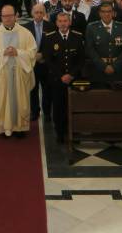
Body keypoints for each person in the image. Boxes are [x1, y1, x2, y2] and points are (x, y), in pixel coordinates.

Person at [0, 5, 37, 137]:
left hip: (19, 74)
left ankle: (20, 128)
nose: (7, 19)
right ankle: (2, 127)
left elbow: (32, 52)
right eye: (4, 16)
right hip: (2, 75)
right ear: (1, 17)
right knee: (2, 100)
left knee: (20, 100)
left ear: (15, 16)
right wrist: (3, 53)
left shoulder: (25, 33)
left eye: (9, 16)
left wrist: (18, 52)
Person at [40, 12, 85, 143]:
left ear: (69, 22)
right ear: (56, 23)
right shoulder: (50, 38)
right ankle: (59, 133)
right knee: (58, 108)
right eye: (60, 21)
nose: (63, 23)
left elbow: (81, 60)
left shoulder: (77, 37)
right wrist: (61, 75)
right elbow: (48, 60)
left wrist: (71, 74)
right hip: (56, 80)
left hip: (73, 79)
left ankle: (72, 131)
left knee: (73, 106)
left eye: (65, 21)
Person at [85, 2, 122, 87]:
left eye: (109, 11)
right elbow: (90, 49)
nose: (106, 14)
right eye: (103, 11)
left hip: (118, 70)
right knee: (99, 97)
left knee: (118, 98)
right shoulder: (91, 27)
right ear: (99, 13)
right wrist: (103, 66)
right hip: (98, 70)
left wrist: (114, 66)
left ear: (113, 13)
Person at [23, 3, 55, 121]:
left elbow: (53, 45)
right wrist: (33, 56)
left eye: (41, 12)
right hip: (31, 63)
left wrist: (43, 56)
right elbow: (23, 46)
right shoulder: (25, 27)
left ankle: (47, 112)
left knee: (47, 90)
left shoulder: (51, 26)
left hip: (46, 64)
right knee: (32, 89)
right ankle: (34, 111)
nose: (39, 15)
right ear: (32, 13)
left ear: (44, 13)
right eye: (36, 12)